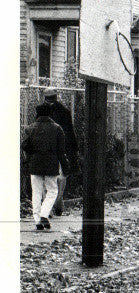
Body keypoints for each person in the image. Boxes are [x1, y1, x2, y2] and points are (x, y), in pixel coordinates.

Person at [21, 102, 71, 231]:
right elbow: (61, 151)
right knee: (52, 190)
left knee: (36, 192)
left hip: (35, 163)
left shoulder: (30, 128)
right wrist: (65, 166)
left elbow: (25, 146)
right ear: (50, 113)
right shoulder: (57, 128)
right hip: (51, 163)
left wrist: (28, 159)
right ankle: (44, 214)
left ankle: (37, 220)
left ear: (37, 113)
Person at [42, 88, 78, 216]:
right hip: (61, 149)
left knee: (48, 178)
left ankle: (51, 205)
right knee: (61, 177)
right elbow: (70, 132)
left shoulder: (41, 111)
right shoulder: (64, 111)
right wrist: (73, 149)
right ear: (56, 97)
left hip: (46, 149)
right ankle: (58, 201)